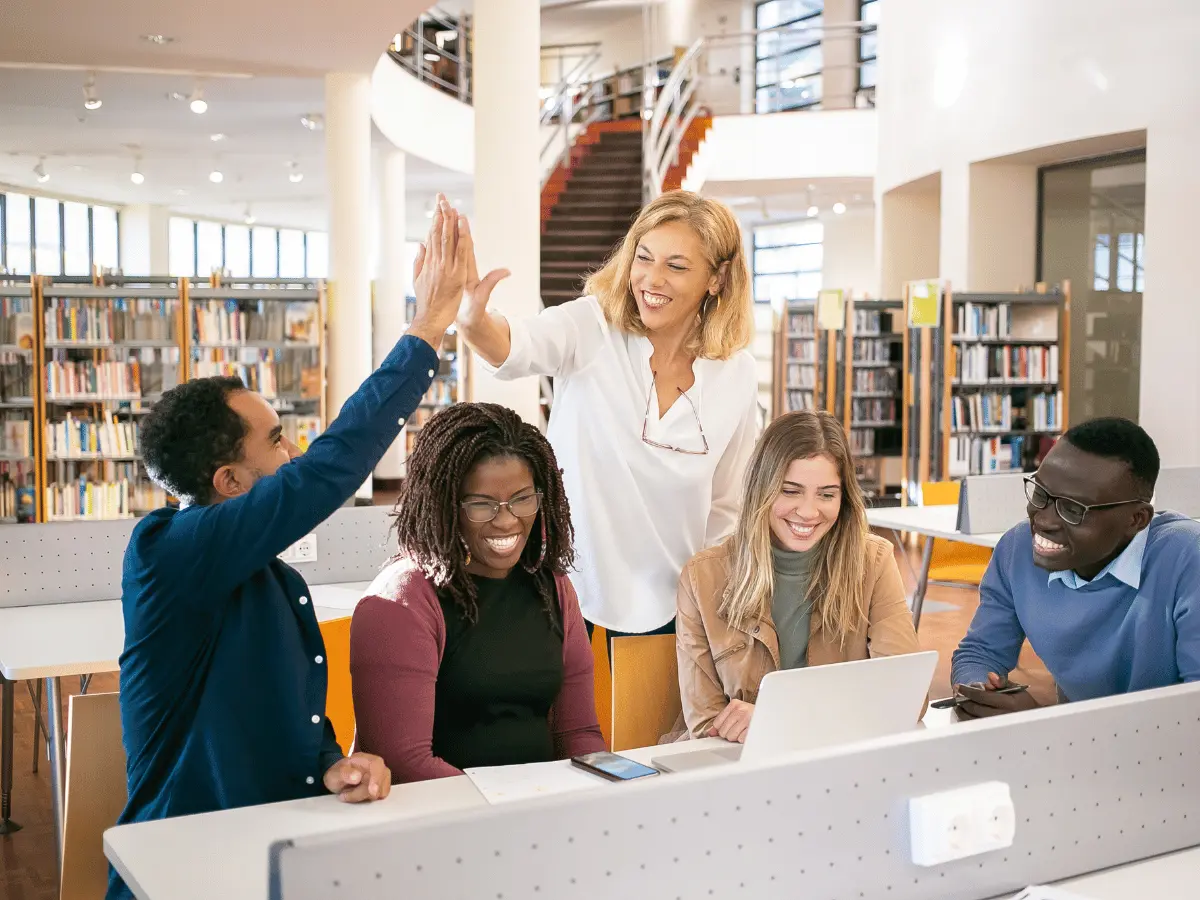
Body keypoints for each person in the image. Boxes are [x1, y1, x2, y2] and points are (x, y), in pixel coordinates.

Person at [106, 198, 470, 900]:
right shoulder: (167, 553)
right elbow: (324, 473)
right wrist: (425, 329)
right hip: (181, 869)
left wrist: (328, 763)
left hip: (271, 851)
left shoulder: (266, 576)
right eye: (276, 440)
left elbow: (276, 713)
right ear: (229, 481)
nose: (294, 451)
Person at [453, 190, 759, 644]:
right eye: (644, 257)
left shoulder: (736, 372)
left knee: (653, 719)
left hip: (676, 611)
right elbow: (519, 345)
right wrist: (474, 322)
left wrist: (706, 602)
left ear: (717, 278)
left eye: (676, 266)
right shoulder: (592, 327)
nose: (651, 279)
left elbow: (727, 506)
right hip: (567, 597)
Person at [350, 403, 604, 782]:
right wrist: (510, 810)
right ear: (445, 505)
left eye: (522, 499)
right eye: (482, 505)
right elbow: (404, 763)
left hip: (540, 813)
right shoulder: (401, 600)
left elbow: (578, 733)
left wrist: (605, 787)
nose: (506, 520)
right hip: (446, 821)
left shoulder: (553, 587)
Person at [674, 410, 922, 742]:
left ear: (844, 497)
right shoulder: (701, 577)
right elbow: (706, 726)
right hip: (738, 769)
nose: (808, 512)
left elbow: (908, 698)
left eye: (826, 494)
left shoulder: (873, 562)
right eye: (790, 491)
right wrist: (825, 717)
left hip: (838, 761)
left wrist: (779, 720)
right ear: (763, 490)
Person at [951, 417, 1200, 718]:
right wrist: (980, 690)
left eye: (1072, 509)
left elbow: (1192, 714)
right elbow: (980, 653)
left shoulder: (1187, 558)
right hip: (1080, 751)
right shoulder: (1017, 548)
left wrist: (1043, 725)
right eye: (1040, 494)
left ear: (1136, 520)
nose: (1043, 520)